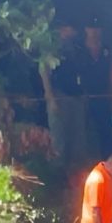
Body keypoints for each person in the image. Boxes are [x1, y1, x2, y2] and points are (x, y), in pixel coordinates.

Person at [40, 20, 87, 173]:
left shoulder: (77, 47)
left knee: (77, 137)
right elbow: (44, 70)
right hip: (58, 96)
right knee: (58, 139)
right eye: (69, 28)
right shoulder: (51, 47)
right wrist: (50, 97)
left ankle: (75, 176)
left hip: (76, 96)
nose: (72, 32)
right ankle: (57, 176)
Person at [78, 16, 112, 159]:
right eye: (91, 28)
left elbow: (111, 74)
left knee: (105, 132)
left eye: (97, 28)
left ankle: (108, 163)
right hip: (82, 97)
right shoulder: (79, 49)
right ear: (86, 30)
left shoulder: (106, 49)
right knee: (83, 132)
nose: (94, 32)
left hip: (103, 96)